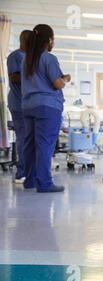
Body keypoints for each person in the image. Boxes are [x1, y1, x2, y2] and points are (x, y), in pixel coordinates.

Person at [21, 24, 70, 193]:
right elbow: (57, 84)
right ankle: (44, 184)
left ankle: (30, 181)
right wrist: (64, 80)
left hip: (28, 106)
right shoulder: (49, 58)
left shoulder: (25, 59)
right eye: (53, 39)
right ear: (49, 40)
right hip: (47, 108)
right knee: (44, 145)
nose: (53, 43)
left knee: (29, 144)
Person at [7, 30, 33, 184]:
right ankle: (21, 173)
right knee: (23, 138)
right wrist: (34, 76)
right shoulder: (16, 56)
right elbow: (14, 77)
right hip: (18, 104)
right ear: (23, 40)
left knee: (29, 139)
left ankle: (28, 170)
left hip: (29, 104)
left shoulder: (30, 57)